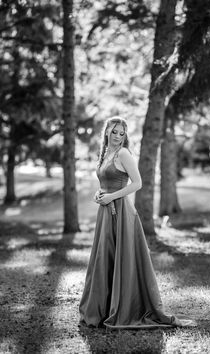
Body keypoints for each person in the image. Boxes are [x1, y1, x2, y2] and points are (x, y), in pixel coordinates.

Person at [79, 116, 196, 329]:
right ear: (106, 131)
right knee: (105, 257)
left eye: (121, 133)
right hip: (106, 211)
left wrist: (111, 197)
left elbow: (138, 183)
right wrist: (100, 194)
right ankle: (104, 307)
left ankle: (124, 308)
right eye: (114, 131)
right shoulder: (106, 153)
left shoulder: (123, 153)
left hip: (121, 213)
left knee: (122, 258)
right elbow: (106, 183)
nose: (117, 136)